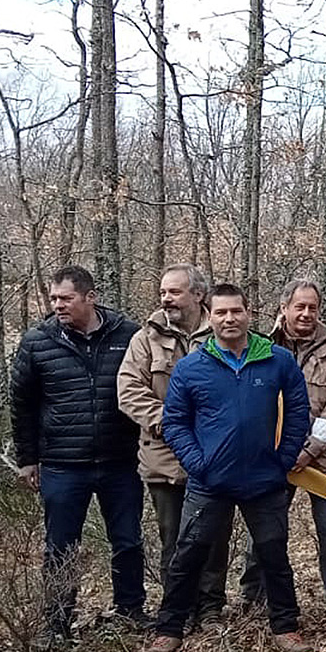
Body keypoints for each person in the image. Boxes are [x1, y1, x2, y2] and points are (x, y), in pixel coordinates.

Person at [147, 285, 313, 652]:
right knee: (188, 553)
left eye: (235, 311)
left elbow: (299, 412)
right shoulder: (192, 366)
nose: (229, 319)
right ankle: (169, 627)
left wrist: (283, 458)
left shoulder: (277, 360)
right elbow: (174, 422)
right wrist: (197, 462)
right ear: (210, 317)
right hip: (209, 482)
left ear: (248, 313)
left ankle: (285, 625)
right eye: (221, 313)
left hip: (264, 480)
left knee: (274, 554)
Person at [11, 266, 144, 648]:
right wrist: (28, 458)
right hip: (62, 464)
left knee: (128, 539)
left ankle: (131, 610)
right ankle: (55, 624)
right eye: (53, 299)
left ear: (90, 296)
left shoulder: (129, 335)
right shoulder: (38, 341)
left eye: (65, 298)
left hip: (120, 460)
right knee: (60, 546)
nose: (58, 306)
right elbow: (22, 404)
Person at [118, 265, 231, 626]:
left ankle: (211, 607)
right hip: (164, 457)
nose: (166, 298)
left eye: (175, 292)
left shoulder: (221, 334)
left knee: (213, 535)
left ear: (198, 296)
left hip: (216, 456)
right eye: (163, 291)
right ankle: (177, 609)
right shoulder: (145, 339)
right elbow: (128, 391)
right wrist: (169, 422)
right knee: (174, 537)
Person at [244, 279, 326, 614]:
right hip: (272, 458)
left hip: (323, 458)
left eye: (312, 307)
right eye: (300, 307)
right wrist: (280, 451)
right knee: (263, 532)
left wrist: (307, 450)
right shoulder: (260, 347)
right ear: (284, 308)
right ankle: (254, 596)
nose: (306, 313)